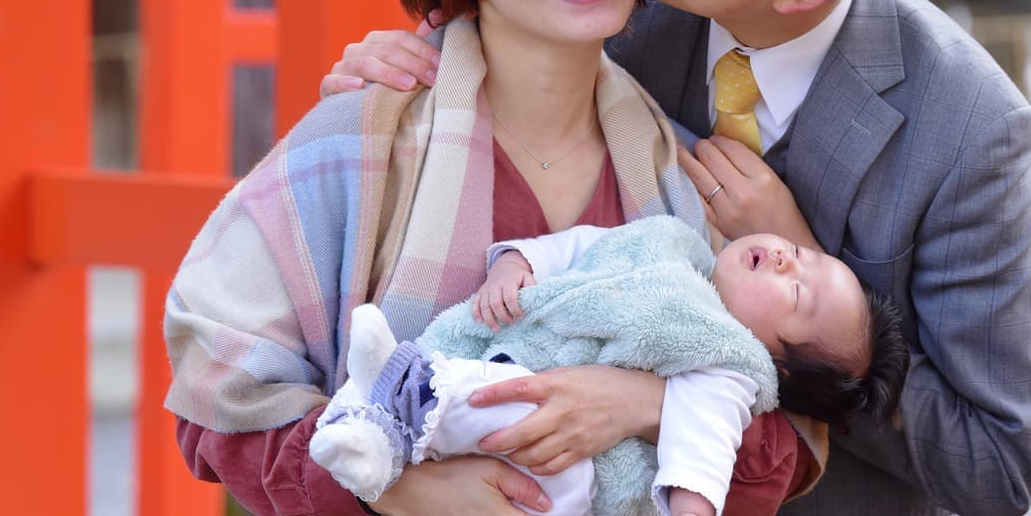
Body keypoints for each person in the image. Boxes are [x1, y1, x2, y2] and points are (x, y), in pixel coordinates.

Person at [323, 0, 1031, 516]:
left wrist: (808, 283)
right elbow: (493, 20)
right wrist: (408, 67)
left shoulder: (971, 129)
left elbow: (993, 467)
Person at [164, 0, 818, 516]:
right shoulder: (361, 143)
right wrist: (396, 488)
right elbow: (216, 398)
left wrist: (649, 403)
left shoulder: (685, 177)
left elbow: (785, 442)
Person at [310, 216, 909, 516]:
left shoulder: (728, 362)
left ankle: (393, 398)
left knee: (507, 398)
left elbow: (702, 446)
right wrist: (514, 264)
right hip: (513, 360)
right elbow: (578, 245)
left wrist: (693, 508)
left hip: (559, 465)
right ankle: (378, 420)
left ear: (776, 361)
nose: (785, 260)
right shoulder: (670, 239)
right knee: (487, 384)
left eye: (798, 294)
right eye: (801, 253)